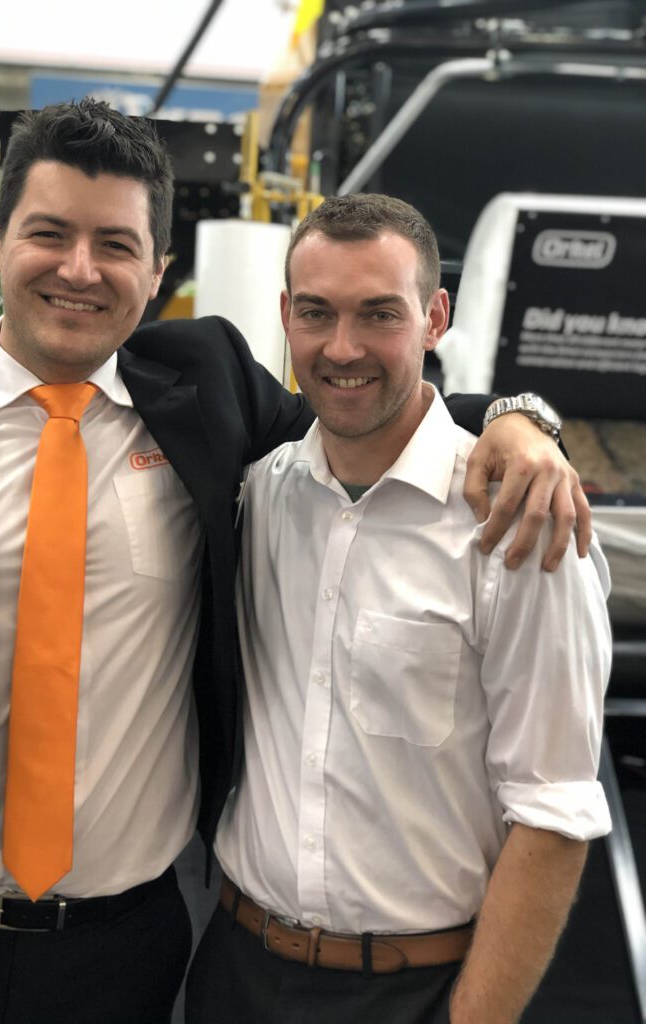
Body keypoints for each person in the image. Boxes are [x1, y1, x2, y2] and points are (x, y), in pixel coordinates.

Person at [0, 98, 585, 1024]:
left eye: (116, 244)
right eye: (49, 233)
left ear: (159, 270)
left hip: (132, 954)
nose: (80, 269)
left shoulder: (203, 392)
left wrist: (522, 417)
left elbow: (367, 403)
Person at [184, 195, 612, 1024]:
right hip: (233, 970)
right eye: (317, 313)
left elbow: (553, 812)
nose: (342, 348)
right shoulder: (257, 494)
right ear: (286, 315)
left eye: (379, 314)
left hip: (415, 992)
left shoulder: (516, 524)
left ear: (434, 318)